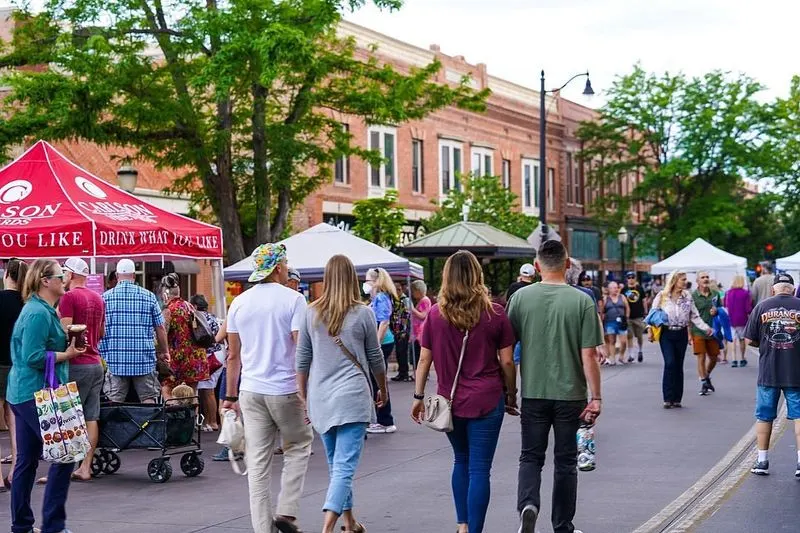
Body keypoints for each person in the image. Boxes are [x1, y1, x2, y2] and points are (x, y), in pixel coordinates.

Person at [411, 250, 518, 533]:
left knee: (461, 460)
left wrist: (418, 397)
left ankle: (462, 524)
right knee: (480, 468)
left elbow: (424, 359)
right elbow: (507, 361)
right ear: (477, 275)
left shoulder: (435, 314)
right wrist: (511, 393)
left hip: (450, 401)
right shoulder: (495, 313)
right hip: (487, 399)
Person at [507, 240, 603, 533]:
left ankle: (528, 504)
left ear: (537, 266)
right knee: (565, 462)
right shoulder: (582, 301)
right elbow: (589, 355)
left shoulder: (520, 299)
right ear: (567, 265)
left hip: (533, 391)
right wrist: (596, 397)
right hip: (570, 394)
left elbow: (506, 350)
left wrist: (509, 392)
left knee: (530, 456)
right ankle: (562, 525)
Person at [223, 243, 313, 533]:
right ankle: (287, 510)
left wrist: (230, 396)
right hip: (286, 389)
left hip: (251, 390)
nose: (287, 268)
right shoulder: (294, 300)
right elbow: (301, 348)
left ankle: (263, 529)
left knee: (258, 464)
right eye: (285, 263)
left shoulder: (239, 302)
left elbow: (233, 355)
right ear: (277, 268)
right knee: (298, 446)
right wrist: (307, 391)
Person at [296, 255, 387, 533]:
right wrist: (382, 388)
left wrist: (303, 396)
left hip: (321, 397)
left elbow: (302, 358)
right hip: (353, 397)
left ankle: (349, 523)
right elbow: (375, 357)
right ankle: (327, 528)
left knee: (336, 465)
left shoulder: (311, 312)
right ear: (351, 278)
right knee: (344, 467)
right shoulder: (363, 313)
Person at [8, 259, 86, 533]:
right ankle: (53, 525)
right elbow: (33, 356)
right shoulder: (38, 313)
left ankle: (22, 526)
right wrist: (67, 354)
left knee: (27, 460)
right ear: (45, 280)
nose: (65, 279)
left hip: (25, 392)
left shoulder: (41, 310)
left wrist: (67, 343)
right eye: (60, 275)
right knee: (66, 454)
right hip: (35, 393)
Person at [745, 273, 800, 476]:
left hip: (769, 371)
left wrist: (766, 344)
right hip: (796, 371)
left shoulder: (762, 307)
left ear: (772, 289)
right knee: (799, 416)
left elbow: (750, 340)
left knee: (764, 417)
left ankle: (762, 461)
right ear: (793, 289)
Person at [60, 257, 106, 482]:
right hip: (96, 362)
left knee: (69, 416)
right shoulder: (98, 297)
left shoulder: (68, 297)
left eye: (64, 272)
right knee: (91, 416)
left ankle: (64, 469)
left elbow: (65, 332)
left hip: (76, 364)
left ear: (71, 274)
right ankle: (85, 467)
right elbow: (102, 332)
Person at [100, 258, 169, 404]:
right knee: (148, 399)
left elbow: (100, 328)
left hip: (115, 359)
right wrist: (164, 351)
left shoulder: (105, 298)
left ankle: (118, 421)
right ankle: (149, 420)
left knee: (114, 402)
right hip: (143, 359)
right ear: (134, 275)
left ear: (117, 276)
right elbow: (160, 327)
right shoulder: (149, 296)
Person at [650, 270, 713, 408]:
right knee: (670, 363)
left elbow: (694, 315)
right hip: (667, 333)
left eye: (685, 279)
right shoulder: (662, 296)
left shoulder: (687, 296)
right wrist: (650, 330)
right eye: (683, 279)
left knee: (678, 365)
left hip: (681, 333)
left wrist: (705, 327)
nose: (685, 282)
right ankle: (668, 398)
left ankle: (677, 398)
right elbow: (652, 313)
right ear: (674, 280)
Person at [0, 258, 28, 489]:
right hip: (19, 367)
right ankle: (15, 471)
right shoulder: (28, 304)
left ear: (6, 274)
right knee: (15, 419)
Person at [160, 273, 209, 399]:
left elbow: (163, 333)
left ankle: (172, 412)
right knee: (191, 394)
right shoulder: (189, 306)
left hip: (178, 358)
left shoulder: (168, 310)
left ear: (165, 293)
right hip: (196, 357)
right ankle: (192, 412)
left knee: (167, 388)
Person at [363, 268, 397, 434]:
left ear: (376, 281)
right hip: (382, 342)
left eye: (367, 280)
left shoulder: (381, 297)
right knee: (377, 380)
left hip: (382, 343)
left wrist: (374, 345)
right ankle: (382, 419)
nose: (365, 284)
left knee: (378, 381)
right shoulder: (377, 298)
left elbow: (384, 323)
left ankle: (385, 421)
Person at [192, 294, 224, 432]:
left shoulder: (196, 317)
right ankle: (211, 421)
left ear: (194, 306)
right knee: (208, 390)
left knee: (206, 391)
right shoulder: (213, 317)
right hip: (218, 355)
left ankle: (209, 422)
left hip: (208, 356)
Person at [692, 271, 722, 396]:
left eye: (707, 277)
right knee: (701, 357)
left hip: (712, 330)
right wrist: (688, 334)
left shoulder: (715, 294)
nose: (705, 279)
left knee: (714, 357)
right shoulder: (693, 296)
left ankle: (707, 375)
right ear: (697, 281)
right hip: (698, 331)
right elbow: (689, 315)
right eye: (702, 277)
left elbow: (721, 310)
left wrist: (716, 311)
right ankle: (704, 382)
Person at [724, 274, 752, 368]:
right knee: (742, 339)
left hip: (731, 318)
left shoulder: (728, 293)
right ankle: (742, 358)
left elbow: (725, 305)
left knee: (733, 339)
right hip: (742, 319)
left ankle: (734, 359)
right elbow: (748, 308)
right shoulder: (745, 293)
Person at [601, 281, 630, 366]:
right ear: (609, 289)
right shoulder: (606, 298)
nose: (615, 289)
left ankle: (621, 356)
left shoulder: (622, 297)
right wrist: (602, 320)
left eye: (616, 287)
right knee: (612, 341)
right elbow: (602, 310)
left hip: (622, 322)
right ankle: (613, 359)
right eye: (613, 288)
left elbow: (627, 308)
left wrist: (627, 317)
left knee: (624, 341)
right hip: (610, 322)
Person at [391, 280, 414, 383]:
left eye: (397, 289)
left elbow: (406, 315)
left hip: (403, 331)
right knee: (399, 352)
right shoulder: (395, 300)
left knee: (402, 352)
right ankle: (401, 372)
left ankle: (404, 373)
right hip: (396, 330)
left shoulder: (405, 300)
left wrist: (404, 331)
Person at [623, 272, 647, 363]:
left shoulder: (640, 288)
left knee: (639, 336)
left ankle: (640, 350)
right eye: (629, 277)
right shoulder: (624, 289)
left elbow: (644, 300)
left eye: (632, 277)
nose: (631, 279)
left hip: (639, 315)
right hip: (628, 316)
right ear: (627, 279)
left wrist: (645, 312)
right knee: (629, 336)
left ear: (635, 278)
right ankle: (631, 354)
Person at [409, 280, 432, 373]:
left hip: (420, 332)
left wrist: (412, 309)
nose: (413, 294)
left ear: (418, 291)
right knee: (415, 354)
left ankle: (421, 373)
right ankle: (418, 372)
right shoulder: (422, 300)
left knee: (418, 354)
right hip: (417, 332)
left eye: (413, 291)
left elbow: (423, 315)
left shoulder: (425, 301)